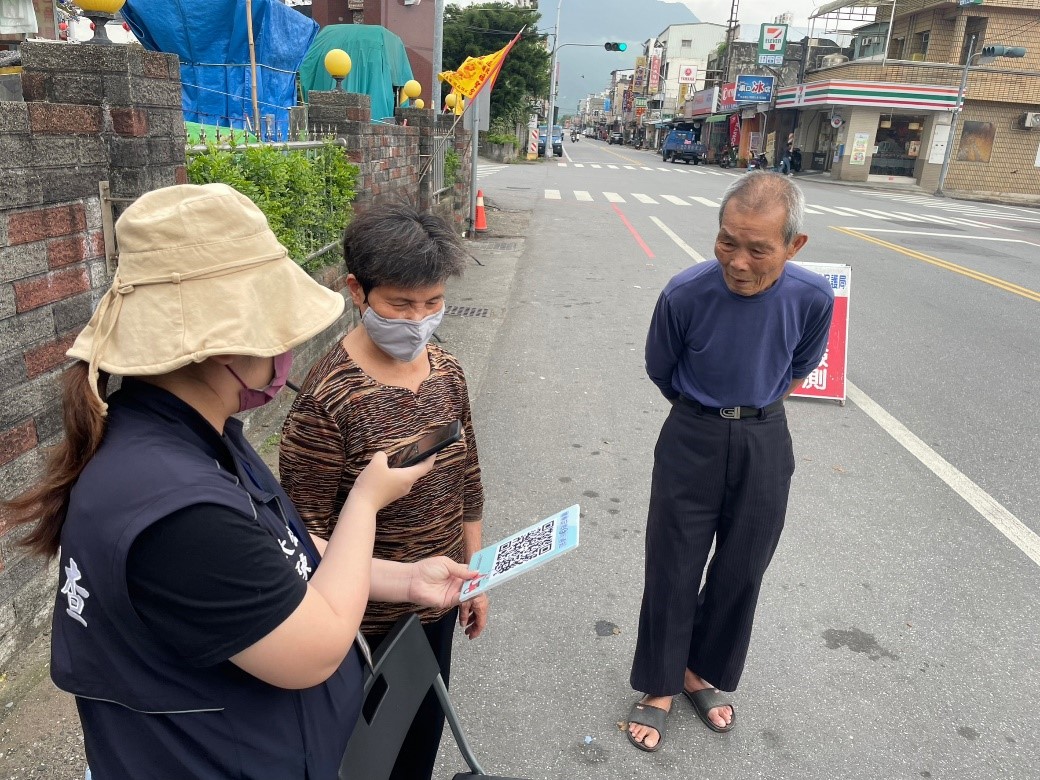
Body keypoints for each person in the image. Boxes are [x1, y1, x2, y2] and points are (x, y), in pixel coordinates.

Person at [1, 183, 476, 779]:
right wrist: (366, 500)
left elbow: (282, 556)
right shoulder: (176, 509)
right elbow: (317, 649)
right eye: (277, 331)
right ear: (223, 347)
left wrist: (406, 578)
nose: (288, 350)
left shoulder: (193, 437)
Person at [626, 172, 834, 752]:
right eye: (727, 242)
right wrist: (708, 414)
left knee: (743, 564)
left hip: (765, 438)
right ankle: (660, 683)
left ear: (794, 245)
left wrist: (750, 414)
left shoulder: (813, 297)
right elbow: (662, 369)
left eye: (758, 249)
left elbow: (799, 366)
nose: (738, 262)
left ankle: (700, 671)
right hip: (691, 434)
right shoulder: (684, 294)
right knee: (673, 562)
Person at [279, 203, 489, 780]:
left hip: (438, 604)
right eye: (400, 304)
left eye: (433, 302)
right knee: (367, 764)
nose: (418, 320)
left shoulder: (448, 372)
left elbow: (468, 480)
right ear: (358, 290)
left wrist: (477, 575)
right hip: (360, 632)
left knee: (420, 747)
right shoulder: (327, 400)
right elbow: (303, 539)